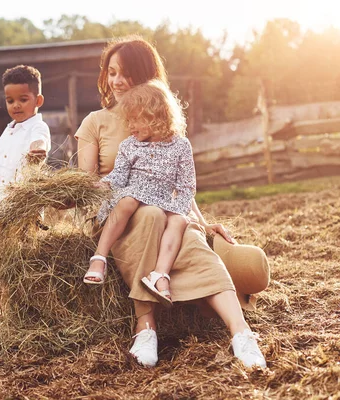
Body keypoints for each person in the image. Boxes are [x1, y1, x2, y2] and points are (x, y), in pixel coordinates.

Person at [75, 35, 269, 369]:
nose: (117, 81)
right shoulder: (94, 122)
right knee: (149, 214)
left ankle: (242, 334)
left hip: (165, 208)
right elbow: (87, 185)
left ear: (146, 75)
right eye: (111, 72)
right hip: (118, 211)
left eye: (126, 73)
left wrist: (202, 221)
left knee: (190, 239)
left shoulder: (162, 120)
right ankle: (145, 326)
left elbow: (181, 186)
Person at [84, 79, 195, 310]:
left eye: (135, 119)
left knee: (179, 221)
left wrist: (180, 210)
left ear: (155, 116)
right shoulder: (129, 145)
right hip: (133, 193)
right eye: (128, 120)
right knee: (127, 201)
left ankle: (160, 275)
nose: (130, 125)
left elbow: (186, 186)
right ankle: (99, 258)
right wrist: (101, 186)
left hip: (163, 199)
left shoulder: (181, 146)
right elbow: (118, 177)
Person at [0, 64, 51, 324]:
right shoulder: (6, 132)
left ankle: (24, 309)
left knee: (20, 261)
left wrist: (38, 150)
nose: (16, 106)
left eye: (23, 99)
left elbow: (40, 142)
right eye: (10, 100)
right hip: (0, 209)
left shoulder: (37, 128)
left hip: (24, 210)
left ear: (38, 100)